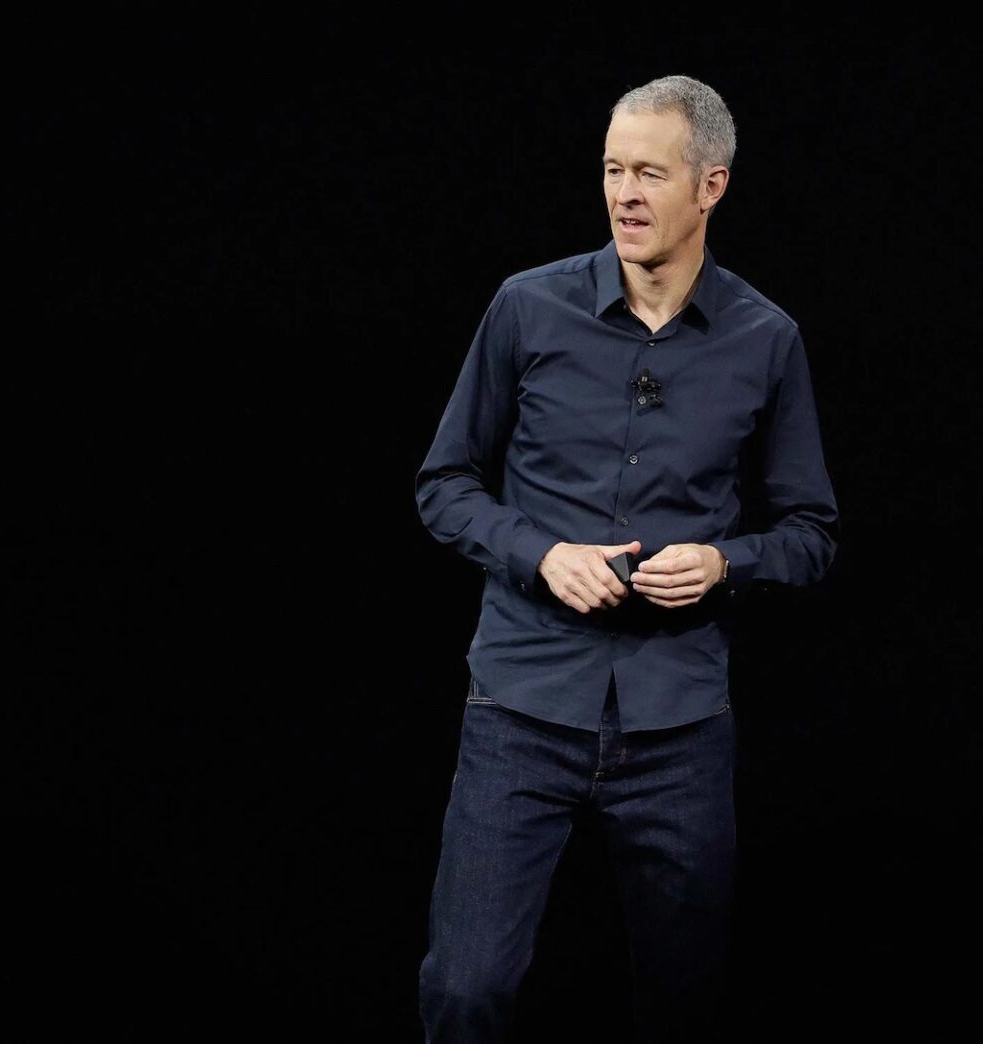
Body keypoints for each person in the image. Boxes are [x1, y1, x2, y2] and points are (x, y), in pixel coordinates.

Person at [413, 74, 840, 1042]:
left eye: (650, 173)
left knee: (683, 1000)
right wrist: (540, 554)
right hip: (523, 705)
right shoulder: (528, 307)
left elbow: (811, 532)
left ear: (711, 186)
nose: (625, 195)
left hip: (677, 724)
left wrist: (726, 564)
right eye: (613, 171)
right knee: (467, 988)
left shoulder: (765, 339)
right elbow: (445, 482)